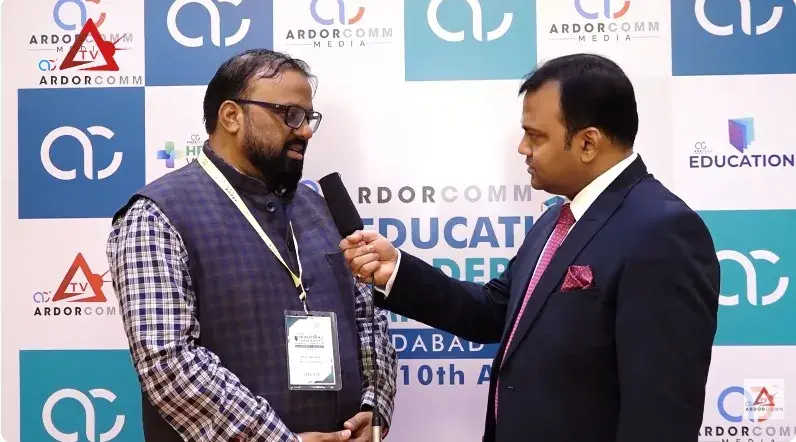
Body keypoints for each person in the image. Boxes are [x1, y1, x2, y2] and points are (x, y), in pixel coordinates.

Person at [339, 53, 719, 442]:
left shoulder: (662, 231)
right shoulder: (556, 220)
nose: (523, 148)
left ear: (588, 142)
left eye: (535, 136)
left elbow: (661, 415)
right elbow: (492, 312)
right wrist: (396, 271)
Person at [106, 49, 397, 442]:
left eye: (308, 118)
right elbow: (169, 361)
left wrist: (374, 407)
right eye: (290, 115)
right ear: (231, 116)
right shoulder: (156, 215)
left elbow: (368, 320)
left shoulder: (322, 209)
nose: (305, 131)